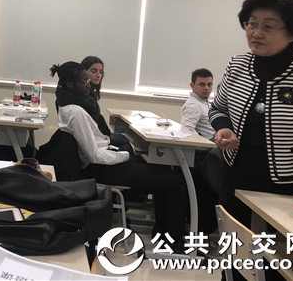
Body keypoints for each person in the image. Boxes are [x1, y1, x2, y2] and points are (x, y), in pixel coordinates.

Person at [210, 0, 293, 230]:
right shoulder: (237, 65)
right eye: (252, 24)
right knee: (236, 250)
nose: (256, 33)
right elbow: (218, 108)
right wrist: (224, 127)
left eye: (268, 27)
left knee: (281, 254)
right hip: (236, 181)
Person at [51, 61, 189, 250]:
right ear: (70, 85)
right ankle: (173, 242)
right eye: (84, 82)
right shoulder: (76, 112)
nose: (88, 85)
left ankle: (164, 233)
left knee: (163, 171)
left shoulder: (67, 104)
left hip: (103, 163)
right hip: (102, 169)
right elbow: (95, 156)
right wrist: (125, 156)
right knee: (176, 181)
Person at [181, 68, 221, 234]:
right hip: (203, 156)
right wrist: (210, 142)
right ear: (192, 85)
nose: (206, 88)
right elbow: (187, 132)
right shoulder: (194, 105)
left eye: (209, 84)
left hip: (210, 151)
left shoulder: (205, 103)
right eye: (202, 84)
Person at [80, 56, 131, 152]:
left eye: (101, 72)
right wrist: (106, 135)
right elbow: (95, 120)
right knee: (122, 139)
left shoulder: (89, 93)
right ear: (84, 72)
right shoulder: (85, 96)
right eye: (94, 71)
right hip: (93, 137)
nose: (98, 75)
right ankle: (129, 160)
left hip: (93, 134)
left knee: (121, 137)